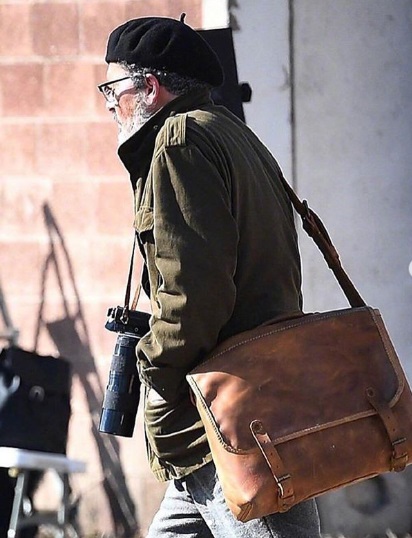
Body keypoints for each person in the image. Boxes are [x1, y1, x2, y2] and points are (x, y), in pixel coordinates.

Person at [98, 14, 321, 538]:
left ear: (149, 87)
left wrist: (156, 373)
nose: (109, 104)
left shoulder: (180, 142)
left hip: (228, 416)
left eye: (113, 88)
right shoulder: (230, 133)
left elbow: (193, 295)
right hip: (240, 404)